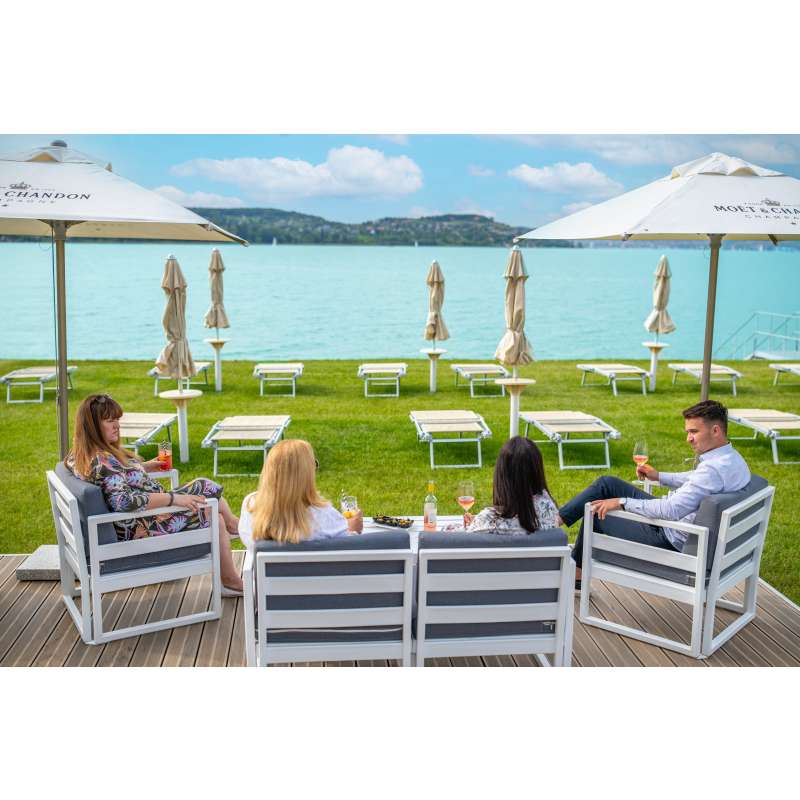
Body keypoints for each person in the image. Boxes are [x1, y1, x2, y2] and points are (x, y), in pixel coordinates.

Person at [558, 400, 751, 586]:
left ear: (715, 430)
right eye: (688, 432)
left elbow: (670, 510)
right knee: (607, 484)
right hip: (674, 524)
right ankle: (556, 521)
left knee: (595, 511)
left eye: (694, 432)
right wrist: (658, 476)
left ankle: (576, 570)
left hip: (667, 535)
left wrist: (621, 503)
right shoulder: (731, 459)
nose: (688, 439)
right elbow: (694, 478)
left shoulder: (712, 470)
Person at [66, 394, 244, 595]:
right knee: (214, 514)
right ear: (92, 426)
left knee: (205, 487)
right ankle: (231, 568)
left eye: (117, 419)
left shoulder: (81, 454)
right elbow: (123, 502)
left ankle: (235, 527)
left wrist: (142, 467)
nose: (117, 425)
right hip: (141, 526)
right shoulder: (103, 461)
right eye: (109, 421)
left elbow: (112, 478)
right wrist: (173, 499)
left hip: (142, 517)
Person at [238, 439, 363, 548]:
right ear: (305, 474)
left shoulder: (250, 506)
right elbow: (346, 548)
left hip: (265, 568)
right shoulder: (322, 516)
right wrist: (353, 530)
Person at [463, 436, 560, 534]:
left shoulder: (487, 521)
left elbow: (466, 539)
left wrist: (474, 524)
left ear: (501, 475)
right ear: (537, 472)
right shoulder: (549, 510)